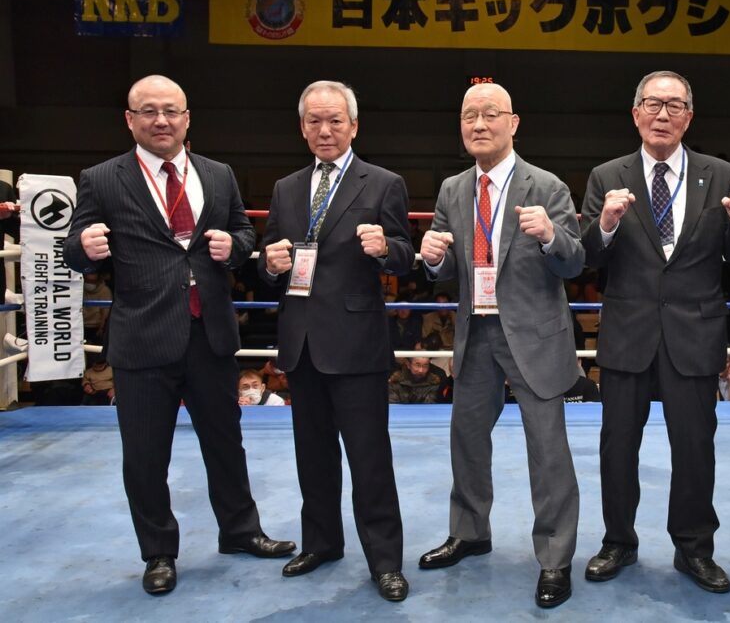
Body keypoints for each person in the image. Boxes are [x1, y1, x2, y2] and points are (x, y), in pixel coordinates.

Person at [63, 75, 295, 596]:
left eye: (171, 110)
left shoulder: (217, 173)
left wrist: (233, 247)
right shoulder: (101, 179)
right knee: (146, 454)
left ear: (187, 118)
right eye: (149, 111)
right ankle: (159, 552)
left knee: (226, 442)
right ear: (130, 120)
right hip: (143, 336)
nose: (161, 120)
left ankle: (240, 531)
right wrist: (84, 246)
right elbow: (74, 249)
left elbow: (243, 233)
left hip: (208, 332)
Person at [579, 70, 730, 593]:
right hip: (628, 332)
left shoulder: (722, 175)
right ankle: (618, 541)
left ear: (689, 117)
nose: (663, 114)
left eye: (674, 105)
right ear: (636, 113)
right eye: (653, 104)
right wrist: (605, 224)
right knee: (617, 446)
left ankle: (695, 548)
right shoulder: (606, 175)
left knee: (696, 447)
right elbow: (587, 257)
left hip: (694, 332)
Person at [417, 82, 583, 609]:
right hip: (476, 332)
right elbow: (446, 266)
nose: (479, 124)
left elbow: (575, 261)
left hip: (534, 336)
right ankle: (470, 531)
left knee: (548, 450)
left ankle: (555, 558)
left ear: (513, 123)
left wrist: (551, 236)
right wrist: (433, 257)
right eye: (470, 115)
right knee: (466, 440)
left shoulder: (547, 186)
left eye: (491, 114)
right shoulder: (452, 189)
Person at [259, 80, 413, 602]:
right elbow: (270, 258)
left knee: (370, 459)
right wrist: (269, 263)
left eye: (335, 121)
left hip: (356, 341)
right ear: (303, 128)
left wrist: (386, 247)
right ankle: (321, 543)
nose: (325, 130)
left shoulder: (383, 183)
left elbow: (406, 255)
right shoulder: (285, 188)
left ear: (354, 125)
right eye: (315, 121)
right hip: (302, 340)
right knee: (313, 455)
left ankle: (385, 561)